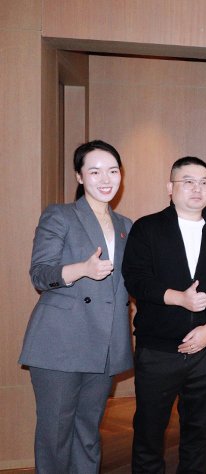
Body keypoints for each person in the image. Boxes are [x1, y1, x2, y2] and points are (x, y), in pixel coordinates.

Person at [122, 157, 206, 474]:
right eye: (188, 181)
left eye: (204, 182)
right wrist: (180, 299)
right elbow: (135, 279)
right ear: (170, 187)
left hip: (204, 351)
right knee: (149, 434)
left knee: (198, 433)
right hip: (157, 351)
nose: (197, 188)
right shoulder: (147, 228)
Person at [19, 140, 133, 474]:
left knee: (88, 432)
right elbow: (40, 274)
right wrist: (82, 269)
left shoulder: (126, 225)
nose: (105, 179)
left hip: (105, 342)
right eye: (95, 171)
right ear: (80, 177)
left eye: (113, 170)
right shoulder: (61, 215)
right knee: (55, 434)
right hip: (60, 341)